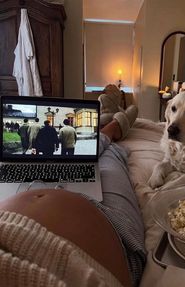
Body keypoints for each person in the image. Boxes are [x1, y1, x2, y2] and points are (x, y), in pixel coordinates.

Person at [0, 113, 146, 287]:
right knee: (109, 157)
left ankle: (107, 127)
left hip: (8, 220)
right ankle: (112, 128)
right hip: (112, 227)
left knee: (84, 157)